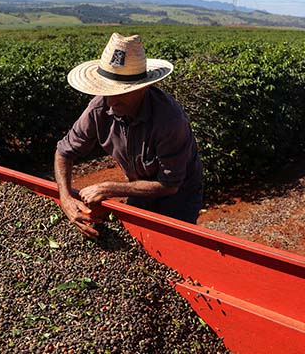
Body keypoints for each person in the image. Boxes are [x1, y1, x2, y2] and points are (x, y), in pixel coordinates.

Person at [55, 32, 203, 238]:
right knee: (137, 238)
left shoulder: (169, 121)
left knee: (172, 244)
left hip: (180, 194)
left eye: (122, 93)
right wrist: (65, 197)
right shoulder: (100, 108)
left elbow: (170, 185)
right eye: (108, 92)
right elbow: (63, 152)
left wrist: (109, 188)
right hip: (139, 183)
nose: (112, 102)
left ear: (144, 88)